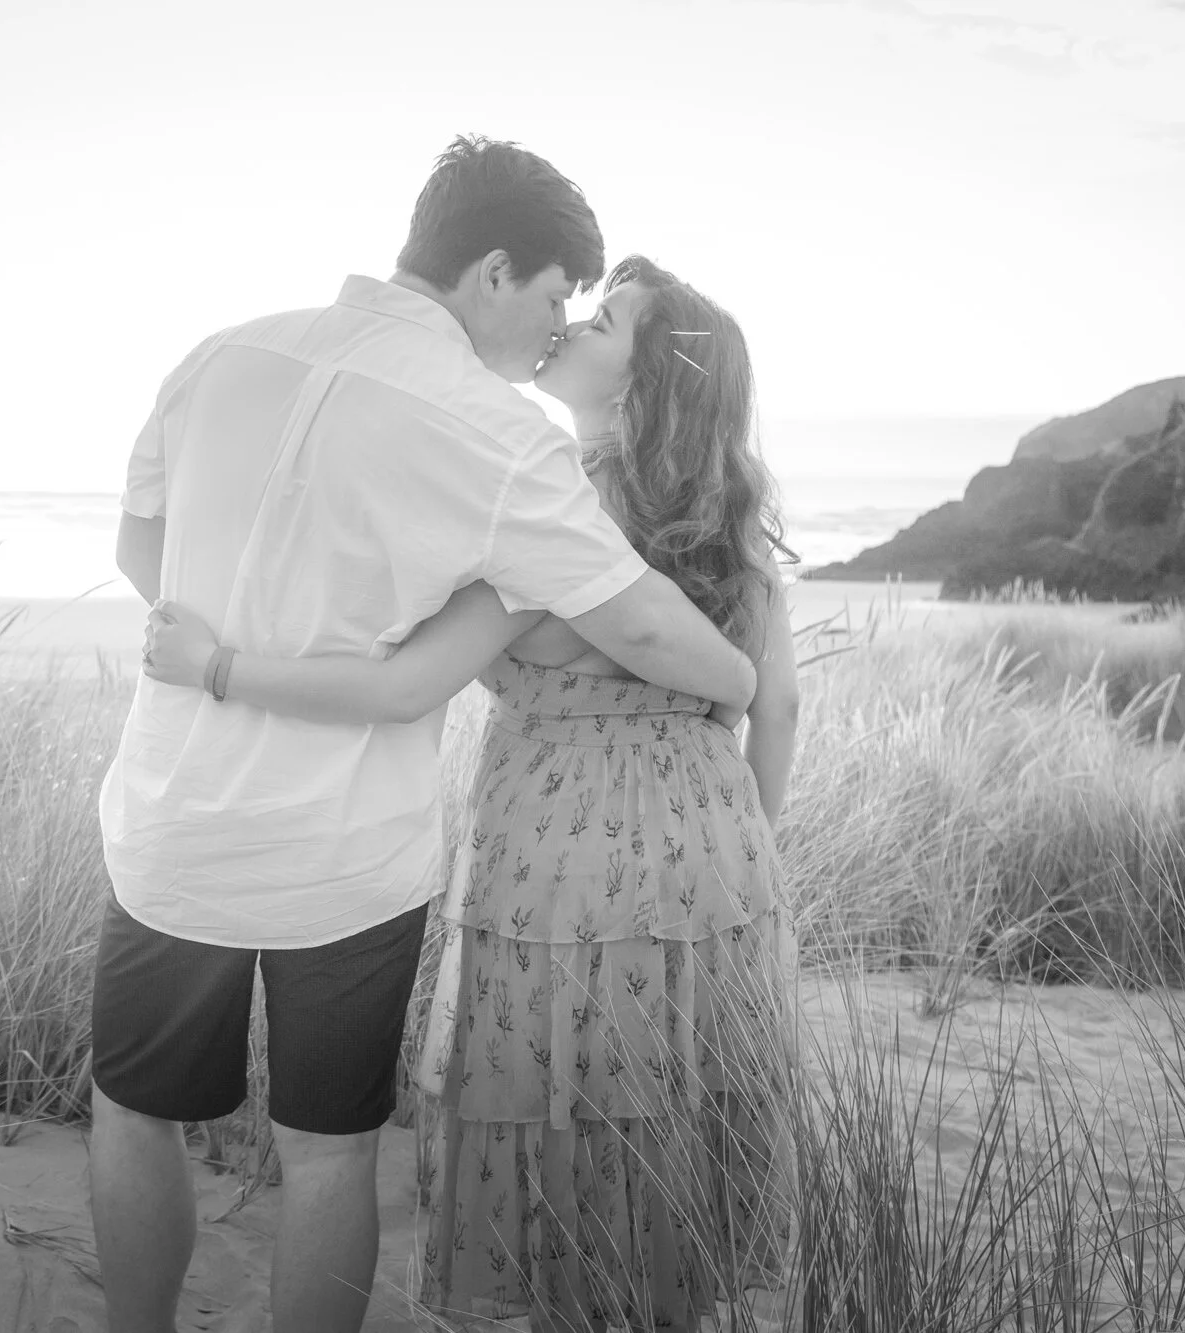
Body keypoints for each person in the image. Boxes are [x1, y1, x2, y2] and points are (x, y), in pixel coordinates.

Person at [93, 139, 762, 1333]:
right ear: (494, 273)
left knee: (134, 1110)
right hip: (341, 858)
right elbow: (645, 624)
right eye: (556, 296)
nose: (554, 328)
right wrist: (737, 680)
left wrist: (228, 659)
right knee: (328, 1154)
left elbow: (140, 553)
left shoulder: (222, 352)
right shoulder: (496, 435)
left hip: (172, 818)